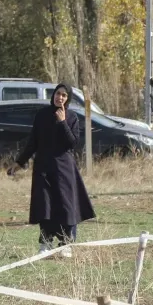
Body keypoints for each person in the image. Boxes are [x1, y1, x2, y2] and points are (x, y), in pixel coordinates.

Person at [15, 83, 95, 253]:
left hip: (64, 169)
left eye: (64, 95)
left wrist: (62, 122)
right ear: (53, 95)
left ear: (68, 99)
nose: (60, 97)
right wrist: (19, 162)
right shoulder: (42, 115)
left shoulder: (72, 117)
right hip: (43, 167)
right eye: (58, 94)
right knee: (45, 206)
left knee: (66, 207)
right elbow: (32, 143)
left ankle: (66, 244)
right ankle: (45, 242)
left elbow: (72, 143)